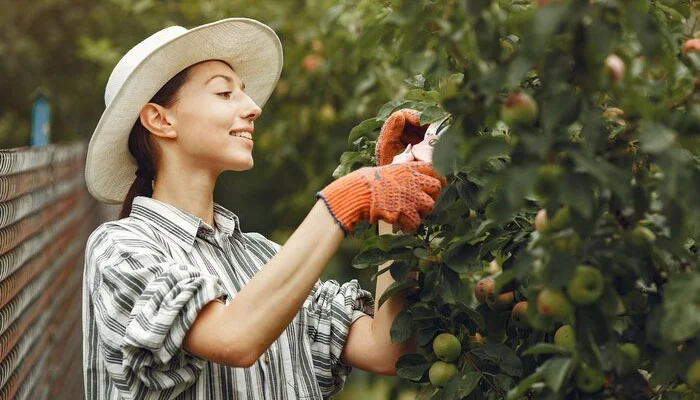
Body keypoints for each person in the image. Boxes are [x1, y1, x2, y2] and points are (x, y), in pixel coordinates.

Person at [82, 18, 446, 400]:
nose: (253, 108)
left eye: (244, 93)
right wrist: (347, 198)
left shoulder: (262, 257)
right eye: (224, 93)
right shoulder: (120, 250)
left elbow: (384, 350)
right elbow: (233, 339)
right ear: (160, 119)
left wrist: (395, 192)